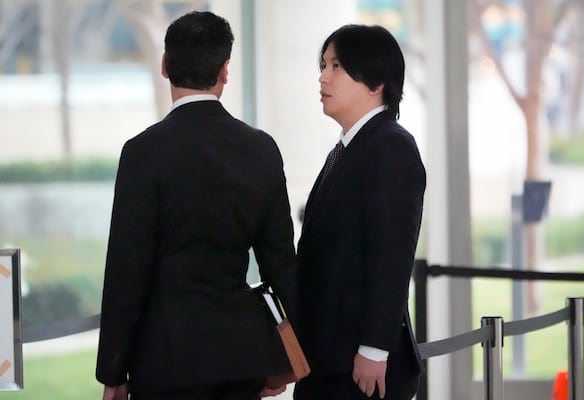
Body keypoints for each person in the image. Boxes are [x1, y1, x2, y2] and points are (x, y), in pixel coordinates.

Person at [95, 11, 296, 400]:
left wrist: (113, 373)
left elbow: (127, 270)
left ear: (165, 66)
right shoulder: (260, 149)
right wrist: (294, 355)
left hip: (165, 361)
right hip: (241, 357)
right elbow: (281, 263)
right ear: (225, 71)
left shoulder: (142, 153)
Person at [293, 24, 426, 400]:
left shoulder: (390, 147)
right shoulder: (349, 148)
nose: (323, 77)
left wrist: (374, 349)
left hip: (360, 369)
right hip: (327, 361)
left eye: (336, 66)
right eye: (323, 65)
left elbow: (392, 255)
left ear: (375, 82)